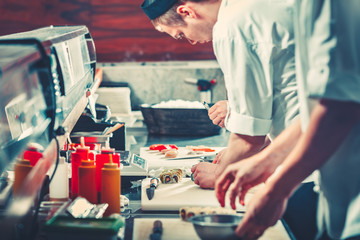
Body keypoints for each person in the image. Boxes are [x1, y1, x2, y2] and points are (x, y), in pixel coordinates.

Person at [215, 0, 360, 239]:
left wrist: (276, 191)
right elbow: (319, 105)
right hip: (333, 189)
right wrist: (267, 162)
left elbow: (340, 107)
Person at [141, 0, 299, 189]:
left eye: (181, 34)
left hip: (305, 168)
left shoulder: (231, 28)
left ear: (187, 12)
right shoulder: (250, 7)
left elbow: (249, 138)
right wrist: (237, 146)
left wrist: (219, 173)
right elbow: (283, 94)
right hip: (316, 150)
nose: (190, 42)